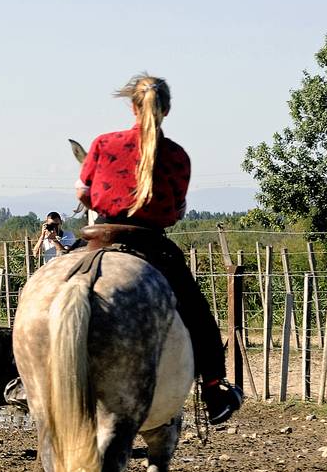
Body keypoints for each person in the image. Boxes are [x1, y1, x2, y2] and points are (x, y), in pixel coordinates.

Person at [75, 73, 243, 424]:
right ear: (167, 109)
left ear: (132, 106)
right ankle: (214, 389)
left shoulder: (103, 143)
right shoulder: (177, 156)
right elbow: (176, 209)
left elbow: (82, 193)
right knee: (200, 318)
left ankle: (24, 376)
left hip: (99, 236)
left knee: (47, 284)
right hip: (150, 243)